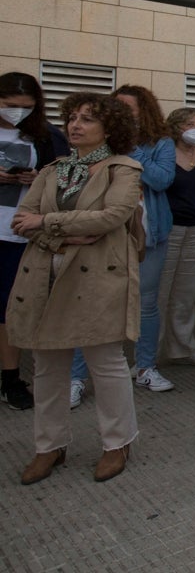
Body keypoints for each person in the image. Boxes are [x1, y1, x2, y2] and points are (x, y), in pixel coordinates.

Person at [9, 93, 142, 483]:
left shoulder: (124, 169)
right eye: (73, 118)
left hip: (99, 277)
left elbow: (113, 216)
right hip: (44, 276)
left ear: (109, 128)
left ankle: (117, 442)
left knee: (106, 363)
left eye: (87, 119)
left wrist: (46, 224)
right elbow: (21, 220)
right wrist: (61, 234)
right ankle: (49, 446)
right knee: (48, 366)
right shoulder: (53, 170)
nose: (75, 125)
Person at [70, 84, 175, 398]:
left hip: (149, 233)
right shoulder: (95, 141)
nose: (121, 115)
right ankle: (76, 378)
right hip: (101, 234)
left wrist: (130, 146)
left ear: (144, 112)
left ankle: (145, 368)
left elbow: (161, 179)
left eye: (128, 109)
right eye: (115, 109)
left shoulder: (161, 143)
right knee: (89, 303)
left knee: (146, 303)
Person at [0, 72, 68, 410]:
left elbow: (67, 176)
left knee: (10, 310)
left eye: (26, 107)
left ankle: (10, 378)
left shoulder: (45, 136)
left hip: (17, 232)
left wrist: (39, 176)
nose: (18, 113)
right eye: (11, 106)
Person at [158, 108, 195, 367]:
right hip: (168, 228)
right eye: (189, 124)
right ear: (175, 127)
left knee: (185, 293)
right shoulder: (165, 152)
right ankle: (150, 352)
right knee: (159, 292)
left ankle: (184, 347)